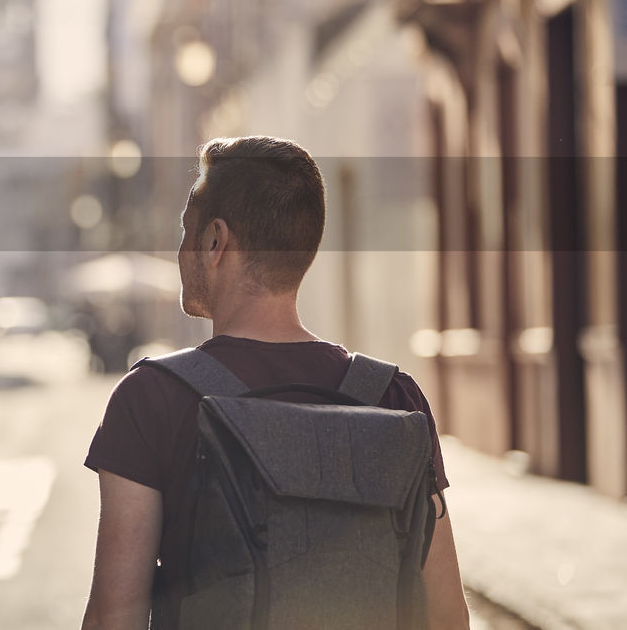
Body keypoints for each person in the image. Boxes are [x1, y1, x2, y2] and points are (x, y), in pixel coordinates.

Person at [80, 136, 470, 630]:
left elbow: (116, 616)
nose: (180, 250)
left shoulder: (153, 397)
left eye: (186, 232)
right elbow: (447, 615)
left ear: (216, 242)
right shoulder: (393, 397)